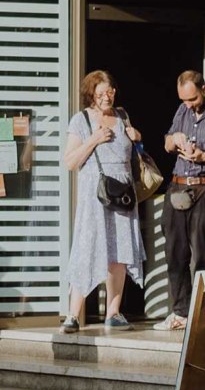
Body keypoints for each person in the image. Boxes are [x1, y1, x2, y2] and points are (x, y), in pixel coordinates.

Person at [61, 70, 146, 333]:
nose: (106, 97)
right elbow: (70, 162)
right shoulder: (81, 120)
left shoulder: (123, 116)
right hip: (95, 196)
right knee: (87, 248)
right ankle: (73, 314)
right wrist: (94, 139)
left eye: (109, 92)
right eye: (100, 93)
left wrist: (138, 140)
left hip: (122, 194)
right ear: (91, 95)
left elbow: (136, 156)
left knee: (120, 253)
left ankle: (114, 312)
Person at [154, 70, 205, 331]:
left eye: (192, 99)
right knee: (175, 252)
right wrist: (174, 139)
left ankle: (203, 315)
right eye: (184, 100)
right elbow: (167, 142)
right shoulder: (182, 111)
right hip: (178, 186)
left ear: (203, 88)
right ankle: (180, 312)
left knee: (203, 254)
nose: (189, 104)